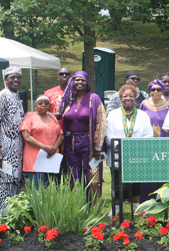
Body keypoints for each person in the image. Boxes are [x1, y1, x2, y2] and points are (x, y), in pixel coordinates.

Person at [106, 85, 154, 209]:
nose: (128, 98)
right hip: (118, 155)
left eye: (131, 96)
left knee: (136, 183)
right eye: (124, 96)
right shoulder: (112, 115)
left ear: (135, 97)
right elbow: (108, 135)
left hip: (136, 155)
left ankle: (136, 207)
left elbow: (149, 135)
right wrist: (123, 146)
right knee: (117, 183)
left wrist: (133, 147)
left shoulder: (143, 115)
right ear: (120, 98)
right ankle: (116, 208)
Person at [60, 71, 106, 199]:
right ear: (73, 82)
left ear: (87, 83)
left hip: (88, 141)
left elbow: (101, 122)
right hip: (71, 142)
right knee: (74, 174)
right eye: (77, 80)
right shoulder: (69, 99)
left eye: (83, 80)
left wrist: (97, 146)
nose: (80, 83)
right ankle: (76, 204)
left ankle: (92, 205)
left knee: (91, 173)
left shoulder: (94, 98)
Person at [0, 66, 25, 213]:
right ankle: (3, 220)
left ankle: (15, 221)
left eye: (18, 77)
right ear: (5, 79)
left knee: (17, 185)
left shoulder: (16, 96)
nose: (16, 80)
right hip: (6, 151)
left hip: (18, 151)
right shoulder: (2, 96)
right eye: (12, 77)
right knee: (5, 185)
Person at [20, 95, 62, 188]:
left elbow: (60, 135)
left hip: (51, 157)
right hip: (35, 160)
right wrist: (44, 147)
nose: (43, 105)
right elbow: (27, 137)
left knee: (49, 189)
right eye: (40, 103)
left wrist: (54, 148)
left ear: (49, 106)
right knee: (39, 190)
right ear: (36, 105)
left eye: (46, 103)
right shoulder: (29, 117)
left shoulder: (53, 117)